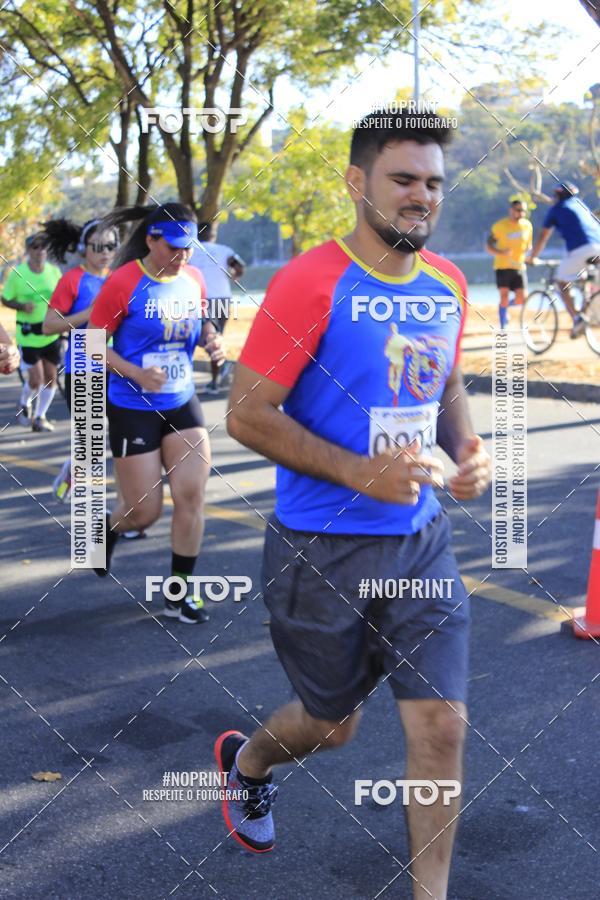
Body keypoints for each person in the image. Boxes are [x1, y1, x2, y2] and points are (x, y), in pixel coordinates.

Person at [216, 112, 492, 900]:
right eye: (403, 179)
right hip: (320, 548)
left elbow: (444, 380)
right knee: (331, 726)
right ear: (356, 182)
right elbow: (246, 414)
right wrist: (357, 474)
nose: (420, 196)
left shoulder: (448, 282)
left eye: (433, 183)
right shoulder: (311, 282)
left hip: (420, 542)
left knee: (442, 725)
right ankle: (250, 762)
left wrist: (466, 449)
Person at [88, 202, 225, 624]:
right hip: (133, 406)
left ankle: (178, 594)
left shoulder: (194, 279)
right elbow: (91, 344)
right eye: (174, 247)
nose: (183, 255)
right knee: (144, 513)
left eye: (189, 247)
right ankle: (107, 529)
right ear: (151, 240)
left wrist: (212, 339)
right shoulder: (124, 282)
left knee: (191, 495)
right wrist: (135, 373)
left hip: (181, 400)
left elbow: (200, 324)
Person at [42, 217, 119, 500]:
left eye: (110, 245)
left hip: (117, 368)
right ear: (83, 248)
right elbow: (48, 326)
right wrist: (88, 314)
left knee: (119, 437)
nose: (104, 252)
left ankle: (123, 503)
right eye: (97, 246)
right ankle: (74, 477)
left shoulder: (118, 278)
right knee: (91, 440)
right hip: (83, 368)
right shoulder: (72, 279)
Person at [1, 233, 62, 430]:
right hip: (28, 336)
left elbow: (63, 298)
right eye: (35, 246)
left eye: (43, 246)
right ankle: (24, 403)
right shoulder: (18, 274)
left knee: (51, 378)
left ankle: (40, 417)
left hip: (50, 335)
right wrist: (21, 306)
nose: (40, 250)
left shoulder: (54, 272)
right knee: (37, 379)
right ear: (28, 250)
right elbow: (5, 298)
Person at [528, 181, 600, 338]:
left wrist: (532, 257)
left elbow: (543, 236)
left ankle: (577, 318)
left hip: (581, 249)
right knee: (585, 278)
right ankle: (586, 306)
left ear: (557, 195)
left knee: (561, 282)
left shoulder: (556, 209)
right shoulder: (581, 205)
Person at [189, 221, 245, 394]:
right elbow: (239, 266)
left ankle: (218, 372)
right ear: (213, 235)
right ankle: (215, 381)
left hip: (202, 299)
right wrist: (235, 276)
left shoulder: (190, 249)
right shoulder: (224, 250)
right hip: (223, 299)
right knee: (216, 338)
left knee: (201, 338)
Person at [486, 196, 532, 330]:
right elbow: (488, 246)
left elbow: (529, 246)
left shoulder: (527, 226)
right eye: (518, 210)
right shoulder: (500, 226)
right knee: (504, 296)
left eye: (523, 211)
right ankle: (503, 327)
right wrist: (501, 252)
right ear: (511, 210)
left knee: (522, 299)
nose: (521, 213)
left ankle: (504, 307)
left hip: (519, 267)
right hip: (502, 267)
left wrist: (529, 256)